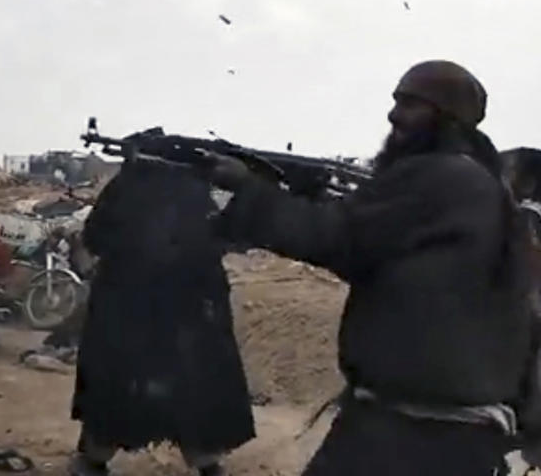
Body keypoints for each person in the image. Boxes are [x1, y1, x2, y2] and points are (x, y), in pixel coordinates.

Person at [204, 60, 535, 475]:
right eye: (397, 101)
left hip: (405, 437)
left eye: (413, 104)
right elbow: (376, 243)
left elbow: (339, 238)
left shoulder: (439, 177)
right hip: (451, 437)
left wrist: (248, 189)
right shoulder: (478, 183)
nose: (394, 114)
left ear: (447, 118)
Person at [69, 157, 255, 476]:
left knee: (116, 384)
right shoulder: (194, 192)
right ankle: (207, 463)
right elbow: (227, 240)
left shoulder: (124, 189)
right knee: (193, 384)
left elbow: (95, 237)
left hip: (127, 309)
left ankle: (93, 458)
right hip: (188, 314)